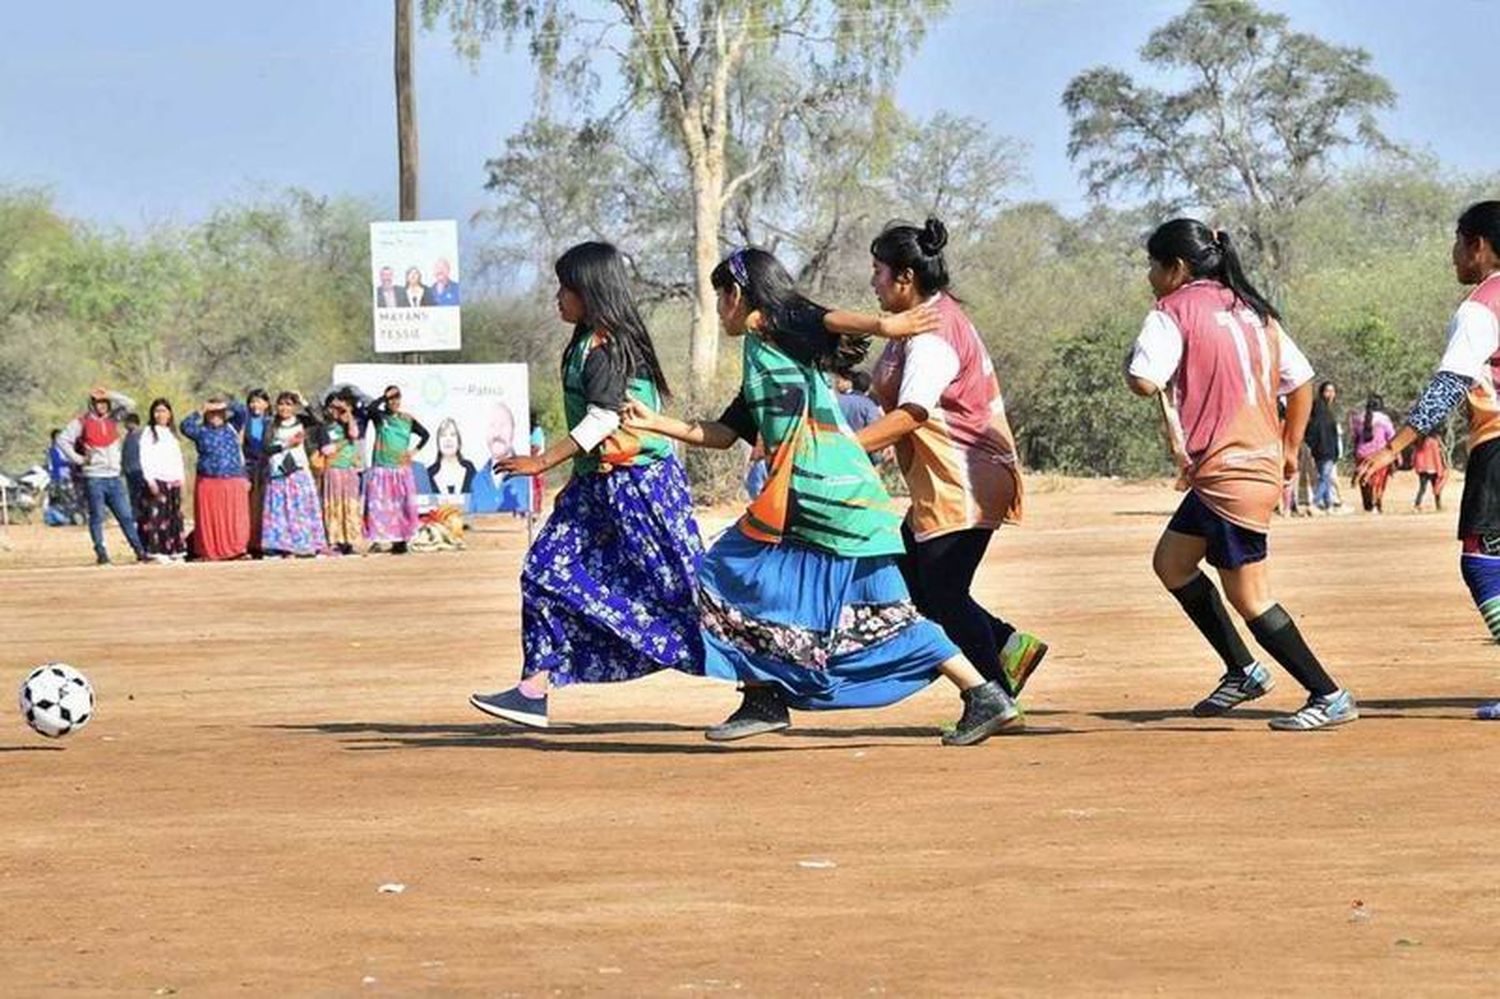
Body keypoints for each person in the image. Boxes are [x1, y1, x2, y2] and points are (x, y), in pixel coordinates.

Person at [625, 247, 1020, 746]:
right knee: (747, 580)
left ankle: (982, 693)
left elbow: (821, 316)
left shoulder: (775, 322)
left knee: (739, 579)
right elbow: (724, 433)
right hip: (812, 497)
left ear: (738, 294)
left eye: (721, 296)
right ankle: (765, 694)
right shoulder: (761, 358)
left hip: (825, 493)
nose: (719, 308)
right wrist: (653, 422)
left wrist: (886, 327)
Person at [1126, 218, 1356, 730]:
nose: (1149, 277)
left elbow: (1145, 381)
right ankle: (1243, 670)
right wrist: (1290, 448)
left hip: (1229, 472)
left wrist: (1130, 364)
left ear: (1176, 268)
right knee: (1171, 563)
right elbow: (1301, 382)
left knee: (1250, 596)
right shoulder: (1255, 312)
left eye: (1152, 266)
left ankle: (1328, 693)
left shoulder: (1172, 311)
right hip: (1238, 469)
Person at [468, 241, 705, 729]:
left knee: (682, 593)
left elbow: (603, 418)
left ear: (591, 292)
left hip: (640, 489)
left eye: (566, 288)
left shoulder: (608, 347)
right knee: (543, 571)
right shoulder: (583, 342)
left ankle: (761, 683)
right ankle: (534, 688)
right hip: (594, 488)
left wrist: (542, 461)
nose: (558, 297)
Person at [860, 218, 1050, 698]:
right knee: (916, 587)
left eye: (878, 271)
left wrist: (842, 450)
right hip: (943, 482)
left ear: (905, 276)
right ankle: (1008, 645)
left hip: (964, 479)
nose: (873, 282)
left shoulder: (931, 334)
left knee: (941, 595)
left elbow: (912, 413)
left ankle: (994, 696)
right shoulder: (914, 325)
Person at [1354, 201, 1500, 719]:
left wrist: (1393, 449)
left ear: (1478, 245)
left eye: (1458, 243)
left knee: (1481, 561)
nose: (1453, 254)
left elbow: (1449, 386)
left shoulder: (1482, 306)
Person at [57, 387, 146, 565]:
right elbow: (62, 440)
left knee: (126, 516)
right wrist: (79, 459)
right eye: (98, 402)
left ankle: (139, 550)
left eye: (105, 403)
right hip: (94, 476)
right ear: (92, 404)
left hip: (114, 476)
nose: (102, 406)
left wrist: (110, 393)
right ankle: (101, 552)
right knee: (97, 517)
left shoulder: (114, 418)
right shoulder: (81, 422)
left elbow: (131, 404)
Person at [180, 397, 252, 561]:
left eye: (219, 413)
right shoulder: (201, 431)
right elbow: (185, 426)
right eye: (212, 413)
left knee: (234, 518)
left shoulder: (232, 427)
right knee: (211, 519)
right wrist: (201, 409)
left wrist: (224, 404)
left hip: (233, 479)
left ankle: (236, 549)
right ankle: (210, 551)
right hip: (209, 481)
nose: (215, 416)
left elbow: (242, 411)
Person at [260, 391, 328, 558]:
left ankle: (304, 543)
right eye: (281, 404)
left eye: (289, 404)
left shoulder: (301, 422)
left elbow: (319, 421)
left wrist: (304, 401)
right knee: (280, 510)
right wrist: (287, 444)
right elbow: (266, 448)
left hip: (298, 472)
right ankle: (281, 546)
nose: (284, 408)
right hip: (278, 473)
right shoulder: (271, 424)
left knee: (300, 509)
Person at [364, 385, 430, 554]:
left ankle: (401, 540)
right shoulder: (380, 417)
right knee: (380, 507)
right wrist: (383, 396)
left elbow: (425, 435)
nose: (394, 402)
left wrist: (413, 452)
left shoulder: (406, 419)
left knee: (401, 507)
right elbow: (370, 408)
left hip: (400, 471)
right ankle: (379, 540)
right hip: (382, 468)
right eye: (391, 399)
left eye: (396, 398)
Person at [135, 398, 188, 561]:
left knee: (174, 516)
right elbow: (144, 457)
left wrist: (181, 478)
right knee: (157, 517)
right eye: (157, 411)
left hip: (173, 480)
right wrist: (149, 479)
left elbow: (177, 458)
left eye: (163, 411)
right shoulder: (149, 432)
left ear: (170, 414)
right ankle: (157, 551)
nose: (160, 414)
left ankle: (175, 550)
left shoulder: (172, 434)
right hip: (157, 479)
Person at [318, 389, 365, 556]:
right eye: (332, 407)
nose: (334, 411)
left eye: (338, 407)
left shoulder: (349, 425)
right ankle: (335, 540)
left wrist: (349, 415)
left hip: (349, 470)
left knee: (349, 506)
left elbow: (355, 434)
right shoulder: (324, 427)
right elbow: (326, 449)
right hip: (333, 471)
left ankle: (350, 540)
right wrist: (344, 442)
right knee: (334, 506)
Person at [1350, 394, 1396, 513]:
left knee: (1365, 480)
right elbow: (1392, 437)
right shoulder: (1384, 419)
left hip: (1361, 454)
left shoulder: (1358, 418)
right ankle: (1377, 504)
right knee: (1379, 481)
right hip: (1379, 455)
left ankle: (1368, 505)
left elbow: (1354, 437)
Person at [243, 388, 273, 558]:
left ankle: (265, 543)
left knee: (265, 506)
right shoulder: (244, 422)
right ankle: (250, 542)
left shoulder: (271, 422)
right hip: (249, 467)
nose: (255, 405)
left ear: (266, 404)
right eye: (252, 401)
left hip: (267, 467)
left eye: (259, 401)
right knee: (249, 507)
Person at [1306, 381, 1342, 513]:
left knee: (1324, 476)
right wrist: (1315, 445)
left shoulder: (1328, 411)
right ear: (1322, 392)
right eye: (1328, 391)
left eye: (1332, 391)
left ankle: (1329, 505)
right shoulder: (1319, 410)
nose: (1330, 394)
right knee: (1325, 477)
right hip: (1325, 450)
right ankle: (1315, 503)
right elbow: (1311, 431)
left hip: (1324, 450)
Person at [426, 417, 477, 499]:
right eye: (443, 435)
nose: (448, 439)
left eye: (453, 435)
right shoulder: (428, 474)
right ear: (438, 443)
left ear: (459, 442)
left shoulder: (469, 468)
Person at [834, 368, 882, 433]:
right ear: (868, 387)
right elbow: (875, 428)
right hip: (860, 440)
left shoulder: (836, 399)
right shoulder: (868, 404)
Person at [1412, 435, 1448, 512]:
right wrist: (1440, 469)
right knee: (1437, 488)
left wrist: (1416, 466)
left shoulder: (1419, 442)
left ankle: (1417, 505)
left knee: (1422, 488)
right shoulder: (1433, 442)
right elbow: (1436, 456)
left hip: (1422, 469)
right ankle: (1438, 506)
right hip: (1433, 469)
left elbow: (1416, 455)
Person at [120, 412, 145, 513]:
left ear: (132, 422)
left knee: (141, 494)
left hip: (140, 469)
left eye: (126, 422)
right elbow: (125, 453)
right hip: (129, 470)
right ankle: (135, 514)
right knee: (132, 494)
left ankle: (142, 514)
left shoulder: (142, 435)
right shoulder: (128, 436)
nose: (125, 425)